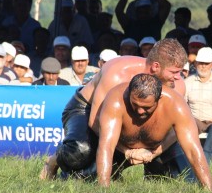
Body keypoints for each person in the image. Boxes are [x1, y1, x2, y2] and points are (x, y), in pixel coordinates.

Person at [40, 38, 189, 181]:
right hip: (87, 109)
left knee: (177, 172)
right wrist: (127, 151)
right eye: (174, 72)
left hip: (122, 114)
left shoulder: (177, 85)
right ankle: (55, 159)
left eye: (180, 72)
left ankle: (115, 171)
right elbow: (94, 121)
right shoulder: (117, 72)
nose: (178, 77)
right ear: (156, 66)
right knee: (80, 151)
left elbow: (175, 130)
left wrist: (152, 152)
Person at [93, 74, 212, 190]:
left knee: (185, 179)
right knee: (89, 172)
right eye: (135, 104)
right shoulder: (116, 99)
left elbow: (193, 149)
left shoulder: (176, 105)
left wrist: (209, 191)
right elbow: (106, 145)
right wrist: (103, 190)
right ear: (129, 93)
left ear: (159, 99)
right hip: (119, 149)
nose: (140, 111)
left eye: (146, 107)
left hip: (160, 148)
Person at [184, 47, 212, 133]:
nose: (203, 66)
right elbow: (181, 105)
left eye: (207, 63)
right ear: (196, 63)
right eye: (201, 63)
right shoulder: (188, 82)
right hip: (194, 123)